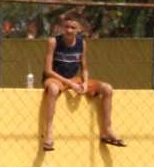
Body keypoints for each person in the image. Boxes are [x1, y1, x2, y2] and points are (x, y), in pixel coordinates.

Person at [39, 12, 125, 151]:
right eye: (66, 27)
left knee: (107, 89)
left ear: (79, 29)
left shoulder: (82, 43)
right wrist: (70, 83)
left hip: (74, 79)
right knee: (53, 90)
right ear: (62, 27)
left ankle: (107, 130)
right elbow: (48, 70)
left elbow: (84, 68)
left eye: (73, 28)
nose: (69, 30)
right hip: (55, 78)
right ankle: (49, 133)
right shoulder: (53, 42)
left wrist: (84, 83)